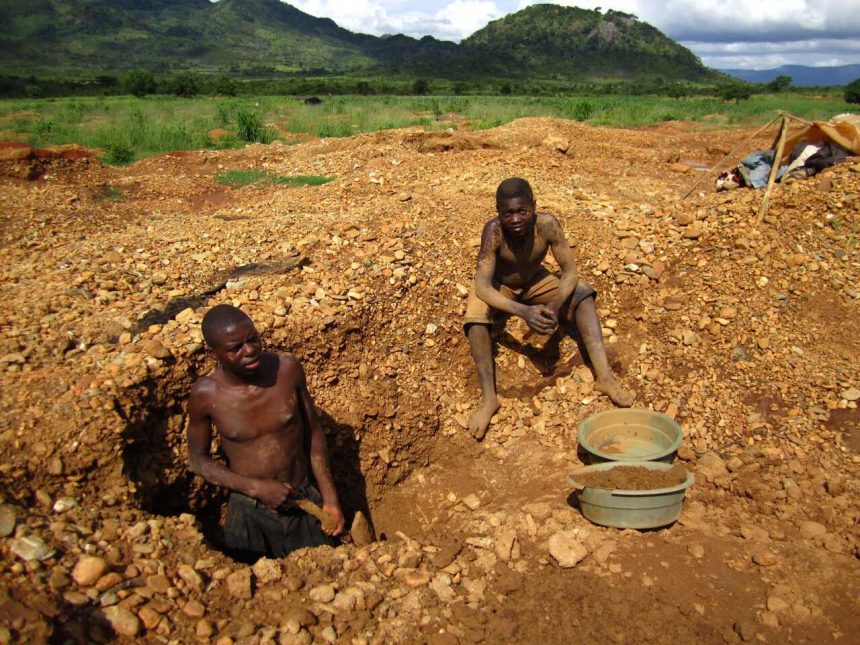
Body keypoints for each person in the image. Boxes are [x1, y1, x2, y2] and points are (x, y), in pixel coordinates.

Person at [464, 177, 634, 440]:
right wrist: (522, 312)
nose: (516, 219)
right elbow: (482, 287)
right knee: (475, 317)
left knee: (583, 295)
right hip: (501, 285)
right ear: (498, 212)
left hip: (534, 279)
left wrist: (554, 307)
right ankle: (489, 399)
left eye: (523, 211)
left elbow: (570, 273)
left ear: (533, 206)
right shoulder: (493, 232)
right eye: (508, 213)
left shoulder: (548, 225)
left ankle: (605, 378)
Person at [187, 304, 345, 559]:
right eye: (235, 348)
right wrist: (256, 489)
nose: (249, 351)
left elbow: (313, 434)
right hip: (249, 512)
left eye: (253, 339)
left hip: (302, 501)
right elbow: (197, 460)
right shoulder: (205, 395)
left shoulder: (287, 370)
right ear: (213, 352)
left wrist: (330, 498)